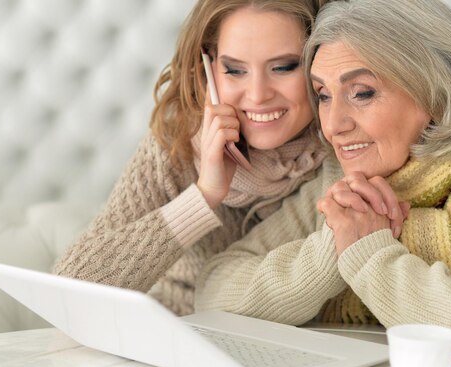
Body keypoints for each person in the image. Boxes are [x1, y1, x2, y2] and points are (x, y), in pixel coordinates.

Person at [195, 0, 451, 367]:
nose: (333, 125)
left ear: (437, 92)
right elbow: (213, 290)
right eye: (323, 95)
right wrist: (330, 253)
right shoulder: (340, 186)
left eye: (362, 93)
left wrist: (369, 257)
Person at [53, 0, 373, 316]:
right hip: (183, 329)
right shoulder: (176, 145)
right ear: (209, 68)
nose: (258, 94)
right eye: (235, 70)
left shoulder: (348, 143)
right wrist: (204, 196)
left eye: (284, 67)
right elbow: (69, 290)